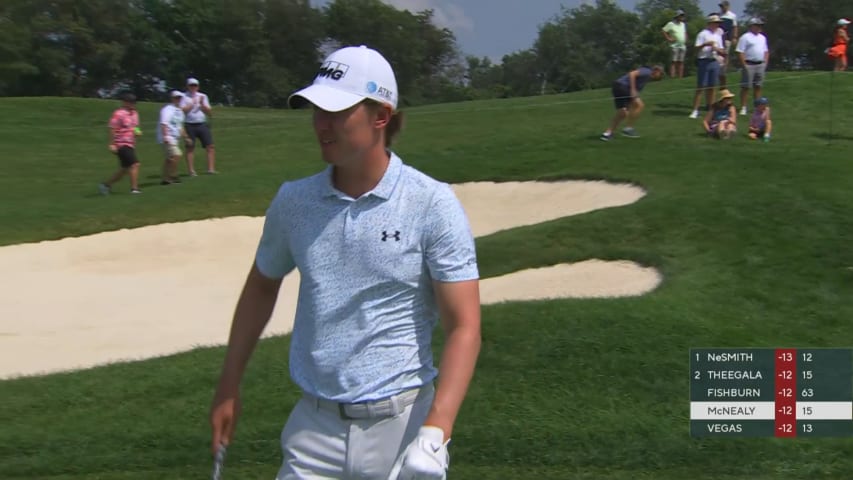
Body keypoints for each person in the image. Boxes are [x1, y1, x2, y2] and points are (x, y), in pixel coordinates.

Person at [209, 45, 482, 480]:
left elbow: (464, 326)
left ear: (381, 116)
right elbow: (262, 285)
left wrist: (437, 430)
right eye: (317, 110)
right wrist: (229, 383)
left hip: (405, 427)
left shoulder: (431, 203)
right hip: (312, 431)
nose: (321, 124)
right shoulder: (294, 202)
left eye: (337, 112)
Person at [600, 65, 665, 141]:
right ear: (656, 71)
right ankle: (628, 128)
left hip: (617, 86)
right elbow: (632, 74)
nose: (660, 76)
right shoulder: (647, 71)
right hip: (623, 86)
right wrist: (633, 90)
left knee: (623, 113)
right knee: (640, 105)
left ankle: (607, 134)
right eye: (660, 74)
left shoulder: (646, 77)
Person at [99, 92, 142, 195]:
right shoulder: (119, 113)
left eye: (133, 103)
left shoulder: (135, 114)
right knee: (135, 164)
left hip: (131, 143)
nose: (132, 105)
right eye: (130, 102)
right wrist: (112, 144)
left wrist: (137, 131)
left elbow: (135, 126)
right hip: (121, 143)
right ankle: (134, 189)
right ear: (125, 102)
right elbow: (112, 128)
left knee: (125, 169)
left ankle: (106, 185)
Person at [690, 14, 726, 119]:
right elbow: (696, 48)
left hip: (714, 60)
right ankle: (695, 110)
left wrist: (718, 50)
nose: (717, 25)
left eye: (718, 23)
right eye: (715, 23)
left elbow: (722, 50)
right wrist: (706, 44)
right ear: (710, 23)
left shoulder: (718, 36)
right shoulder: (702, 34)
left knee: (712, 86)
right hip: (704, 61)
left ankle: (711, 109)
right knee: (701, 86)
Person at [181, 77, 216, 175]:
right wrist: (192, 104)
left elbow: (209, 112)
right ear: (187, 86)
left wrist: (202, 104)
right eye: (191, 85)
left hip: (201, 123)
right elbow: (182, 111)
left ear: (198, 87)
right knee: (190, 147)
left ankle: (211, 169)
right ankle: (191, 171)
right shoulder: (184, 97)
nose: (193, 87)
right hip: (189, 124)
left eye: (195, 85)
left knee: (210, 146)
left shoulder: (203, 96)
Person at [736, 17, 770, 116]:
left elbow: (766, 51)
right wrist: (744, 65)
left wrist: (765, 63)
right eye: (757, 25)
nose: (760, 27)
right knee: (746, 87)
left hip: (760, 64)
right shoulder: (745, 37)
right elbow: (740, 51)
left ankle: (757, 107)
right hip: (749, 64)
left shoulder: (762, 37)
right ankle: (743, 107)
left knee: (758, 86)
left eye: (760, 25)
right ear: (752, 26)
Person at [157, 90, 188, 185]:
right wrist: (165, 136)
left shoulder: (180, 112)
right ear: (172, 98)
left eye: (179, 98)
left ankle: (166, 179)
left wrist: (186, 137)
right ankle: (173, 176)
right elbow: (164, 123)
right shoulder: (167, 109)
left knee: (169, 158)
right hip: (168, 136)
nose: (178, 99)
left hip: (175, 137)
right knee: (177, 155)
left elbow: (180, 126)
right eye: (176, 98)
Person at [718, 1, 739, 89]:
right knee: (720, 53)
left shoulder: (732, 16)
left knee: (726, 54)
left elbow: (735, 27)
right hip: (719, 37)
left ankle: (724, 69)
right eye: (721, 6)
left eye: (723, 6)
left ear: (727, 6)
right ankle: (719, 68)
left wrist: (734, 37)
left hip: (727, 37)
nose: (722, 8)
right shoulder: (719, 15)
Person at [662, 10, 688, 78]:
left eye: (683, 15)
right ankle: (672, 77)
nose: (682, 17)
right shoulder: (671, 24)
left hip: (682, 45)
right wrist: (668, 38)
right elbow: (664, 30)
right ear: (677, 16)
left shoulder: (683, 24)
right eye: (681, 15)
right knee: (674, 61)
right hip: (674, 45)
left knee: (681, 62)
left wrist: (685, 38)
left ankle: (680, 77)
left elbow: (684, 32)